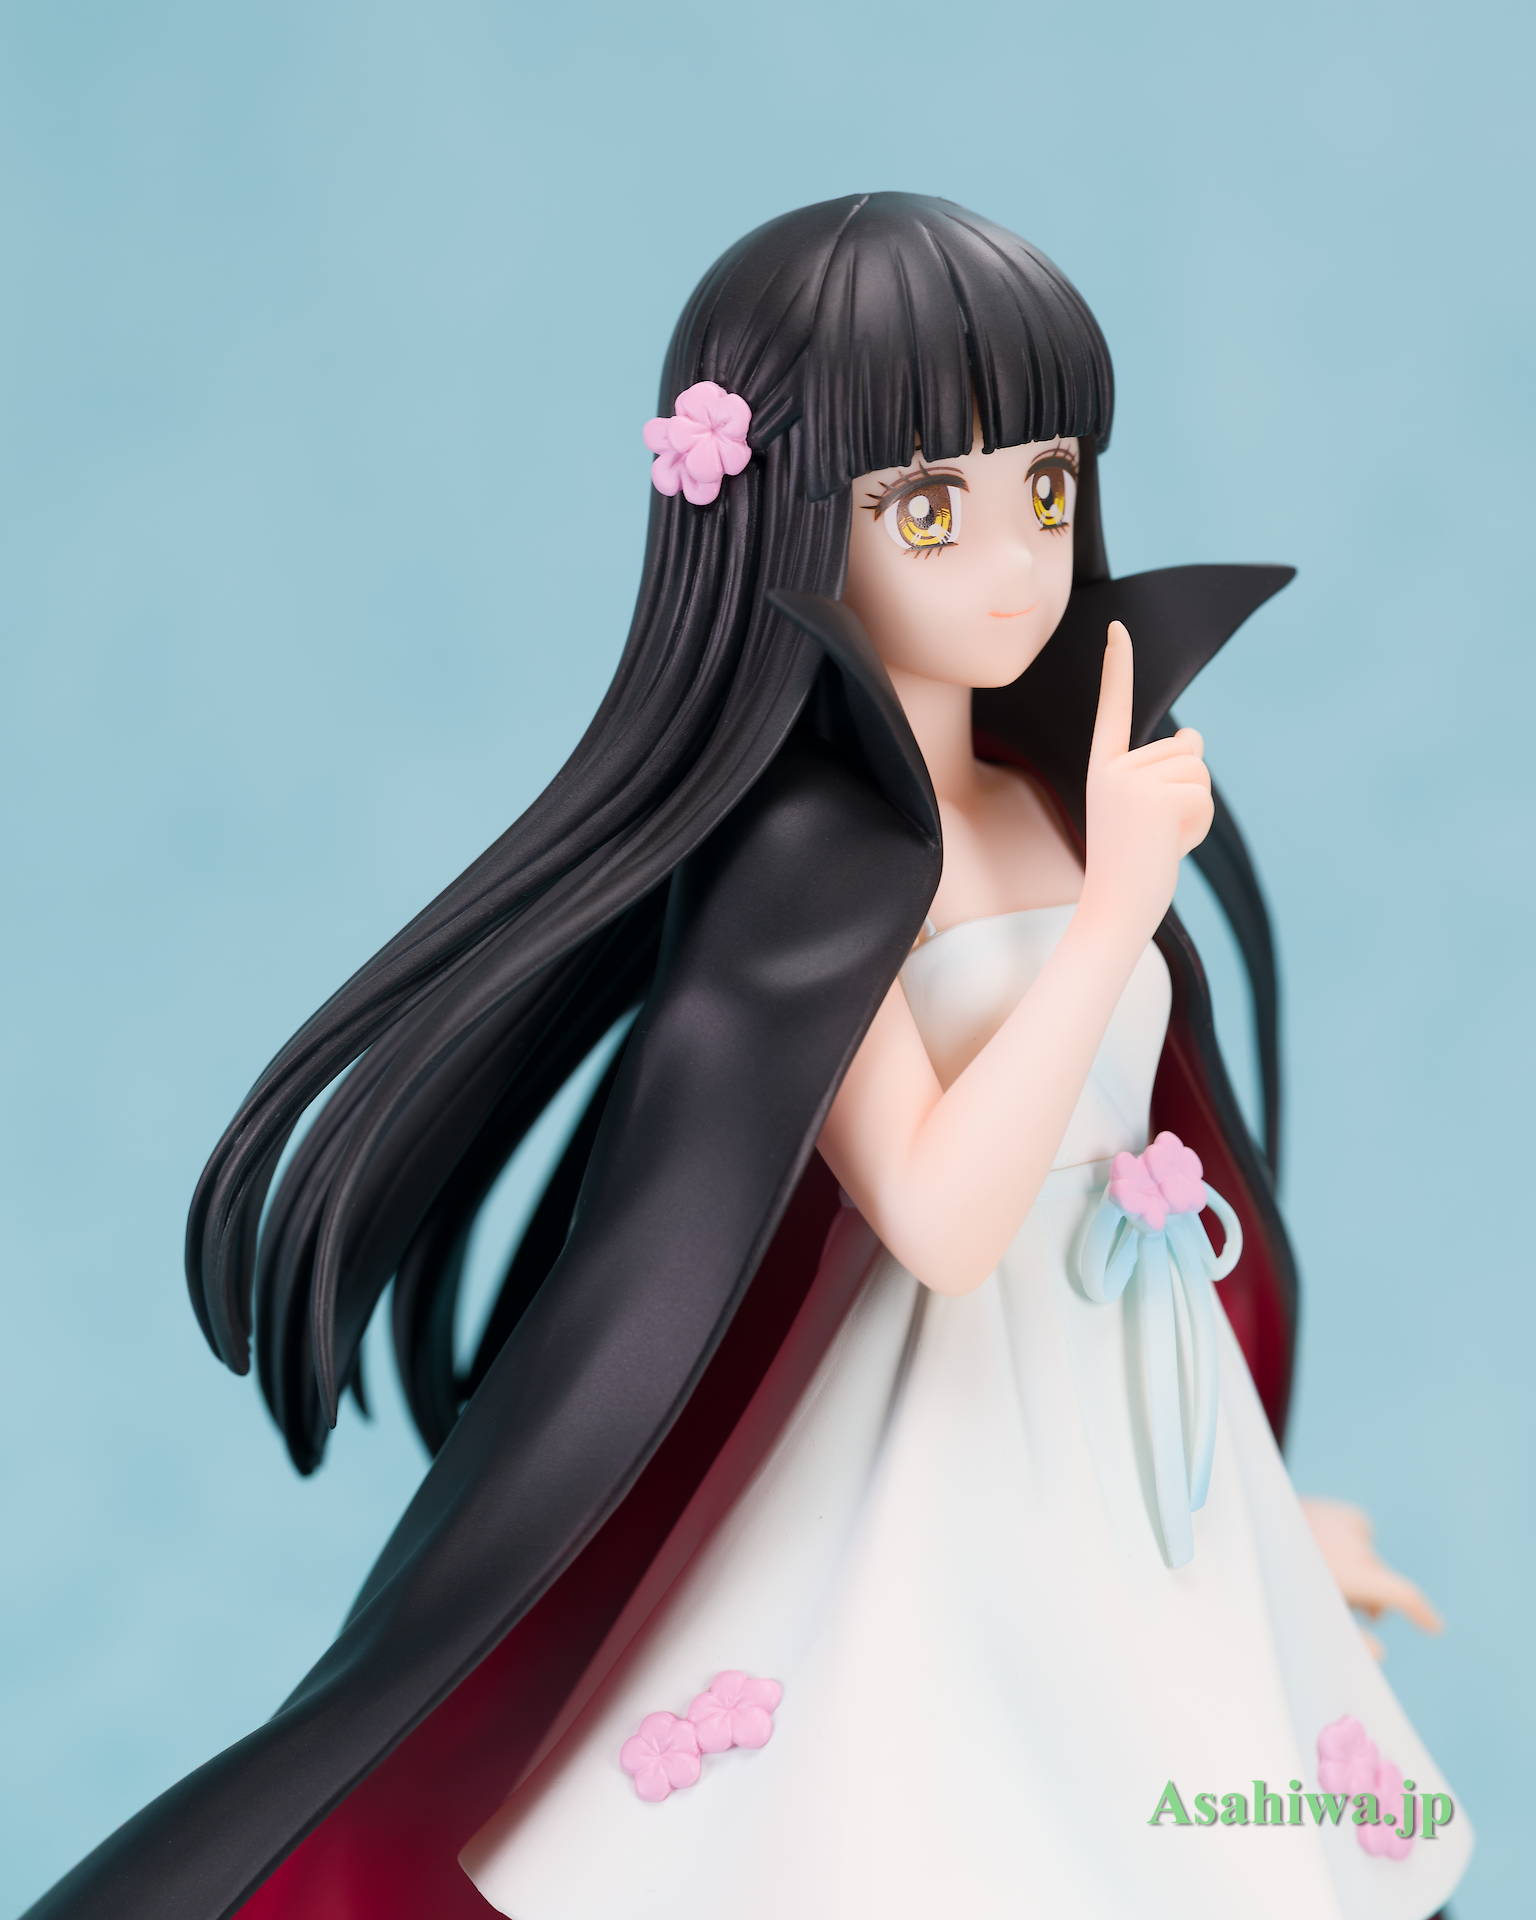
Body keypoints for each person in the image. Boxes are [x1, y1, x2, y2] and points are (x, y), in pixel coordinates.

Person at [20, 192, 1469, 1920]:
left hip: (1123, 1450)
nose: (1016, 561)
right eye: (927, 508)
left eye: (1046, 486)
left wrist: (1271, 1522)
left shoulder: (1066, 782)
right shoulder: (816, 863)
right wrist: (1107, 923)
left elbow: (1139, 1173)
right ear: (794, 512)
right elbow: (942, 1216)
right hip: (935, 1488)